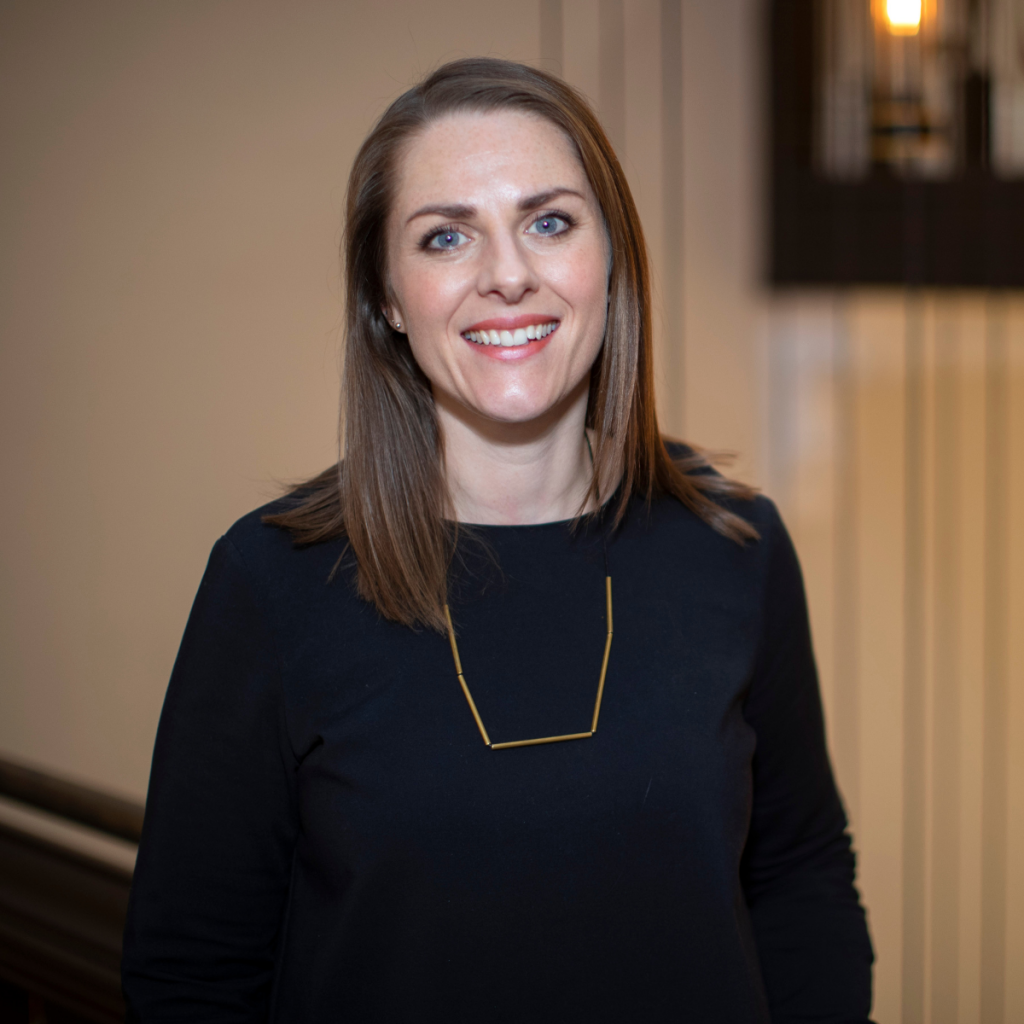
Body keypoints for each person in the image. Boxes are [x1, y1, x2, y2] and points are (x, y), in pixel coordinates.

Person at [121, 58, 874, 1022]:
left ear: (612, 261)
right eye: (445, 237)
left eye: (549, 221)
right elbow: (192, 970)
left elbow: (800, 877)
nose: (508, 274)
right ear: (387, 299)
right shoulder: (272, 583)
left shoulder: (736, 548)